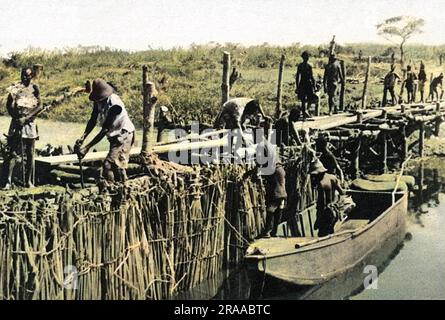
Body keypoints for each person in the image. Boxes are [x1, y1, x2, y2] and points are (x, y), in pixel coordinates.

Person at [75, 78, 136, 183]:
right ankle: (119, 187)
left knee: (110, 164)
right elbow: (93, 119)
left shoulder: (114, 104)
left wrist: (87, 147)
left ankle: (117, 189)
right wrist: (83, 137)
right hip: (114, 136)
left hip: (124, 135)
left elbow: (105, 129)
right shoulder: (98, 100)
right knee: (115, 165)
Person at [2, 67, 42, 189]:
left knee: (30, 153)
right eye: (23, 75)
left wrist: (27, 117)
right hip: (17, 122)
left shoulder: (35, 88)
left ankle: (28, 181)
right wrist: (16, 117)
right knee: (13, 152)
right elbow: (8, 105)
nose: (25, 78)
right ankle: (8, 182)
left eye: (27, 76)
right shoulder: (15, 88)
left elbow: (40, 105)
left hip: (30, 123)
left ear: (31, 76)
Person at [310, 160, 345, 237]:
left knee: (322, 234)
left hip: (326, 212)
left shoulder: (321, 183)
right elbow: (342, 192)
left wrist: (318, 220)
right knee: (331, 231)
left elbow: (322, 203)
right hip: (334, 209)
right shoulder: (333, 177)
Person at [295, 51, 317, 118]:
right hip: (307, 83)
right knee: (308, 98)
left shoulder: (301, 66)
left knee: (304, 99)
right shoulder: (308, 66)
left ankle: (305, 111)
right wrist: (314, 85)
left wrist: (297, 86)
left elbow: (297, 77)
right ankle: (306, 111)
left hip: (303, 83)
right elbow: (311, 76)